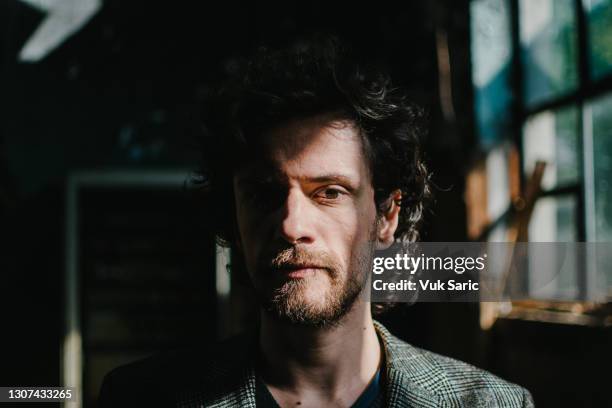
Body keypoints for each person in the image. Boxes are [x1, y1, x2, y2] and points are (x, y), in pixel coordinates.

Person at [98, 35, 534, 407]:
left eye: (329, 193)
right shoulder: (139, 397)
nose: (291, 224)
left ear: (386, 218)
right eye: (264, 194)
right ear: (233, 216)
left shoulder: (492, 403)